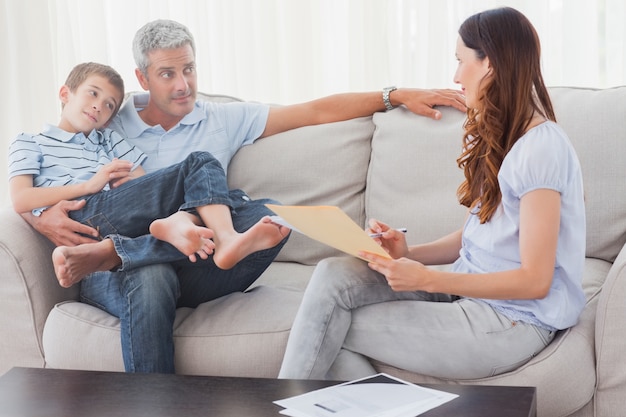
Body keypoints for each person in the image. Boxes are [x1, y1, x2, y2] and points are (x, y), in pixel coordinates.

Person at [21, 19, 466, 374]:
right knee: (151, 276)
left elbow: (314, 111)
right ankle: (154, 401)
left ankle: (147, 244)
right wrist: (39, 217)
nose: (184, 85)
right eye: (167, 73)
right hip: (121, 269)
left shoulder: (222, 119)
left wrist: (394, 94)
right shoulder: (109, 118)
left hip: (202, 259)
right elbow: (48, 161)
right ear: (142, 77)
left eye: (189, 69)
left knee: (270, 216)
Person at [278, 6, 586, 381]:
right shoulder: (505, 136)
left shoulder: (541, 148)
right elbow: (478, 236)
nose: (456, 76)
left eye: (460, 61)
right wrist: (409, 254)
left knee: (326, 325)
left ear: (489, 63)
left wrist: (428, 278)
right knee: (331, 275)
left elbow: (534, 280)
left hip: (511, 320)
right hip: (468, 293)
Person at [8, 62, 289, 288]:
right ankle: (221, 234)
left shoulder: (108, 140)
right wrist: (89, 185)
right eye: (93, 94)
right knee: (201, 162)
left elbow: (145, 184)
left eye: (109, 105)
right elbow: (21, 199)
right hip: (83, 216)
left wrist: (133, 184)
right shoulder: (30, 141)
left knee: (273, 214)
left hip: (121, 217)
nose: (99, 106)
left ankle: (123, 248)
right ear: (65, 93)